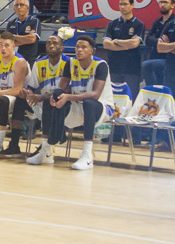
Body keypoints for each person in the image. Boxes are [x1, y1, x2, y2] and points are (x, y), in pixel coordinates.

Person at [26, 35, 114, 170]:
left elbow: (95, 95)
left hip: (101, 108)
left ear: (92, 51)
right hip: (78, 106)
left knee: (89, 103)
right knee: (53, 98)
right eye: (77, 47)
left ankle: (87, 156)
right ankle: (47, 151)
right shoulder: (71, 63)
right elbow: (61, 89)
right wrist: (53, 97)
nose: (79, 50)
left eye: (84, 47)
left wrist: (67, 97)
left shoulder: (101, 65)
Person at [101, 0, 145, 91]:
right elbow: (106, 44)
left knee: (130, 99)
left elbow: (134, 44)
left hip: (131, 69)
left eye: (125, 4)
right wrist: (126, 45)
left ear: (132, 5)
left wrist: (117, 41)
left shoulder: (139, 24)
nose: (122, 7)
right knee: (114, 100)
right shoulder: (112, 24)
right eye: (120, 4)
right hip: (114, 67)